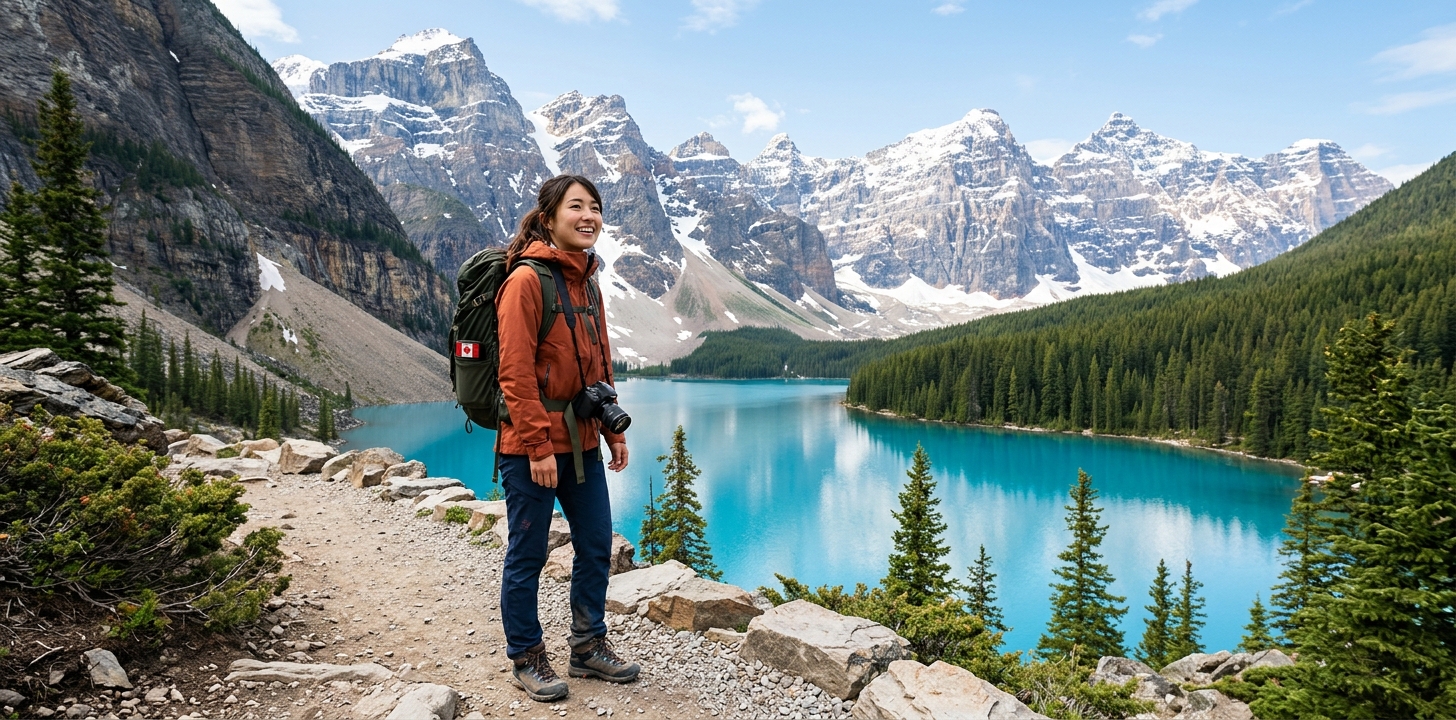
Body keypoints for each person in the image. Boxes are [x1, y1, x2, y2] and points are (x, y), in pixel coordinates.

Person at [495, 174, 639, 702]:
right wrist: (536, 445)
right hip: (529, 446)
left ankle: (587, 646)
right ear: (549, 217)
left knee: (597, 544)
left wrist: (611, 429)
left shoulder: (588, 282)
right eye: (576, 206)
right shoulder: (526, 282)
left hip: (580, 443)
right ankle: (526, 655)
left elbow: (598, 365)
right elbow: (513, 374)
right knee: (528, 554)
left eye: (595, 207)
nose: (588, 216)